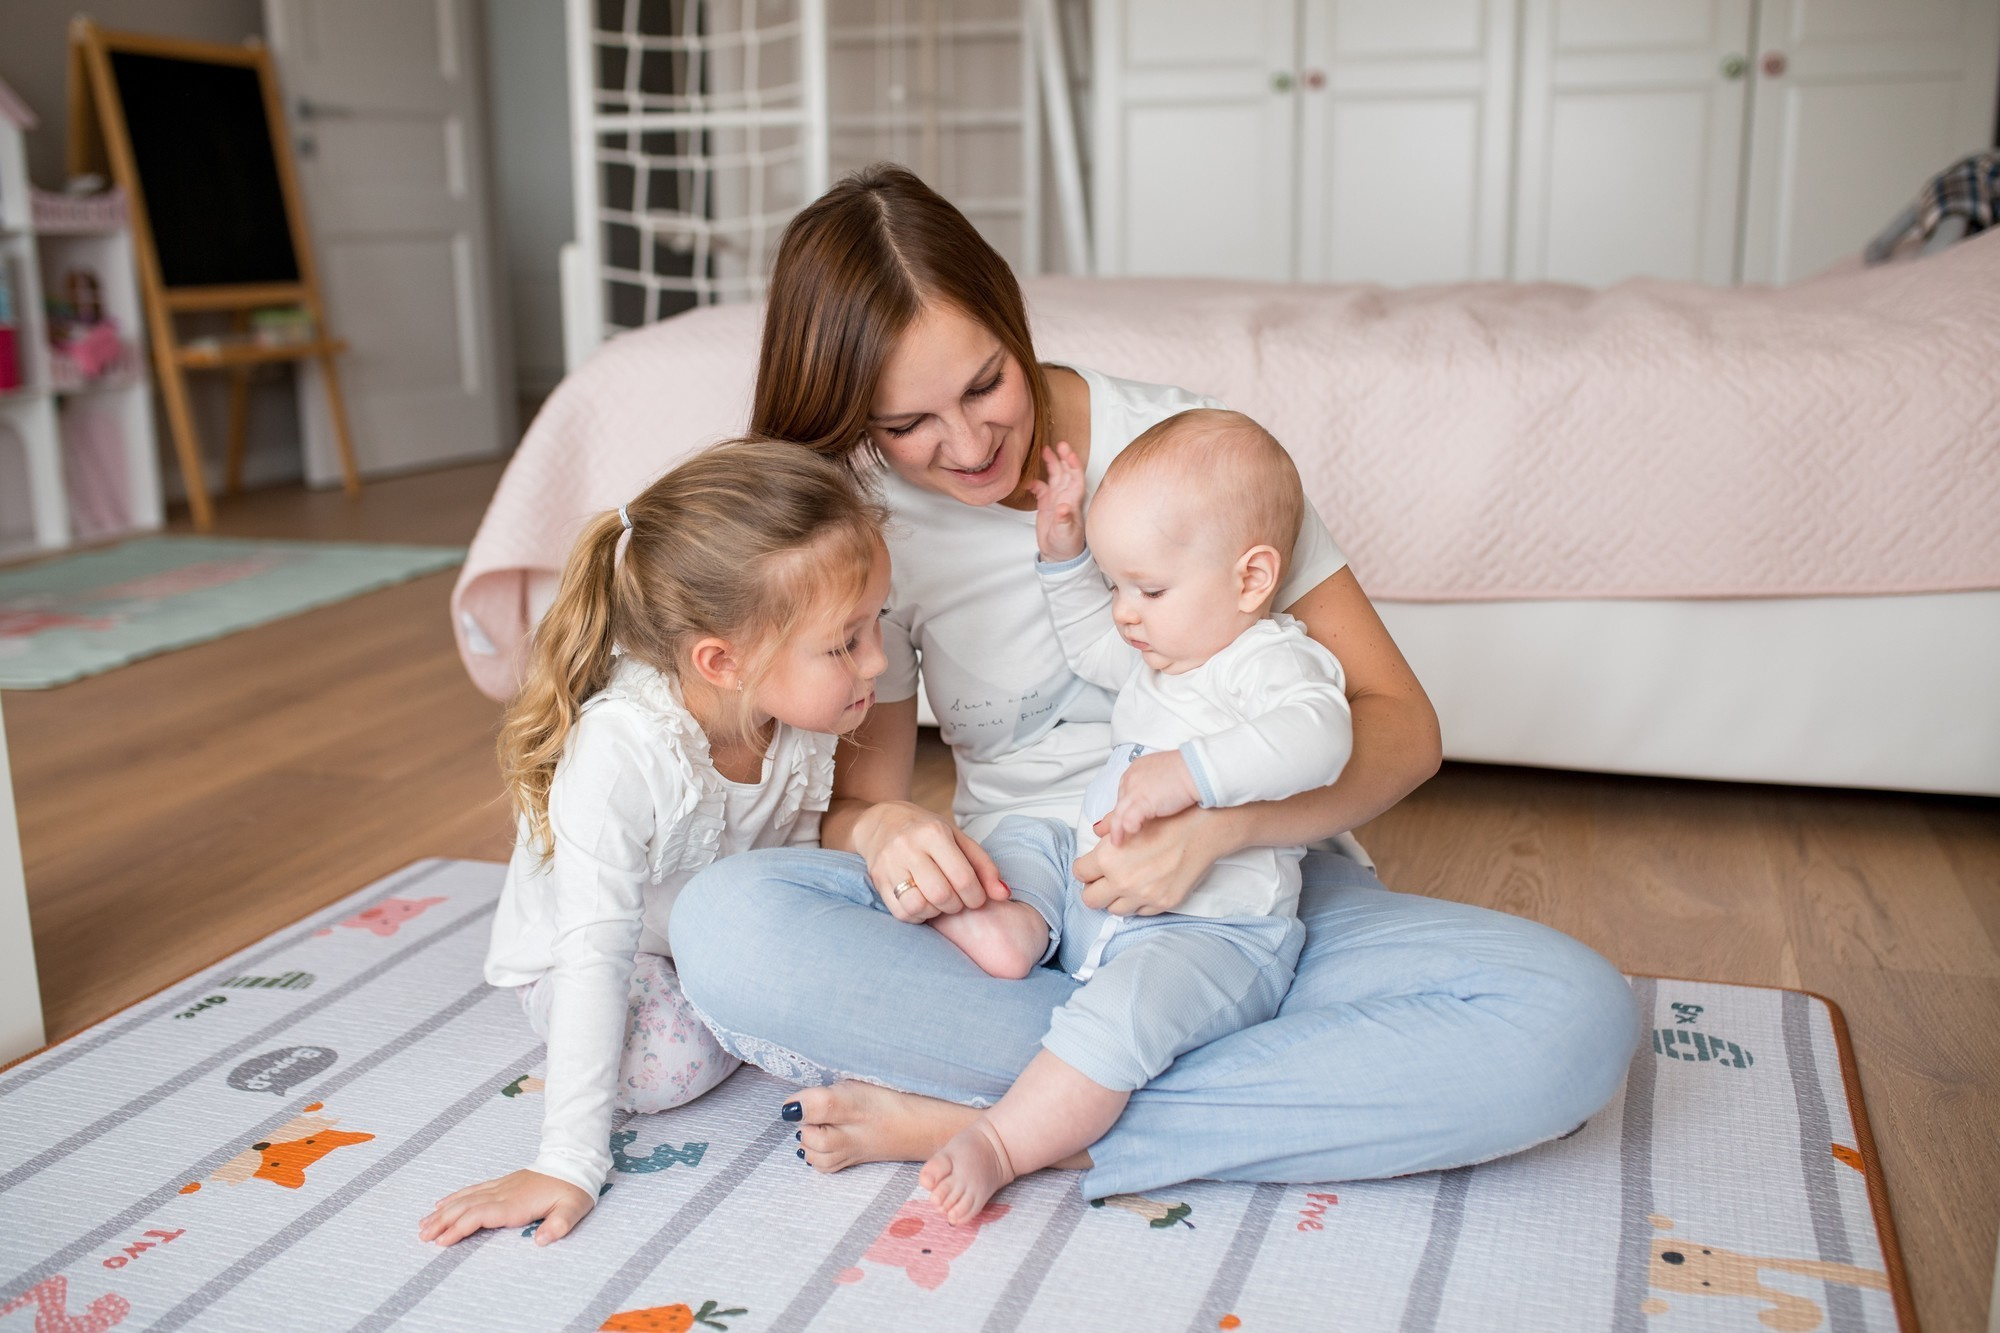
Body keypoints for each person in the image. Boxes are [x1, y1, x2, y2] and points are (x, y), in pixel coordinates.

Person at [669, 164, 1640, 1207]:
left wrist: (1218, 832)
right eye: (906, 425)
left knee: (1573, 1019)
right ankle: (1151, 1094)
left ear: (1011, 309)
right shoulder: (869, 524)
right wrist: (882, 831)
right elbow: (860, 795)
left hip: (1250, 906)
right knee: (724, 924)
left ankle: (1023, 1123)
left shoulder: (1196, 457)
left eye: (985, 383)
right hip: (1028, 910)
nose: (966, 444)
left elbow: (1399, 726)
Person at [418, 439, 892, 1247]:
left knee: (877, 952)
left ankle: (755, 1014)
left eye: (876, 622)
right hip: (608, 953)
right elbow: (594, 951)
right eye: (846, 641)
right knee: (666, 1065)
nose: (878, 659)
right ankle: (741, 1026)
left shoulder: (804, 707)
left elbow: (798, 871)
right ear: (722, 661)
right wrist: (567, 1160)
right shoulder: (624, 750)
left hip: (714, 930)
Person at [920, 409, 1355, 1223]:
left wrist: (1192, 773)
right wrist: (1063, 557)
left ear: (1251, 579)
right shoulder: (1169, 648)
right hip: (1101, 892)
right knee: (1023, 840)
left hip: (1210, 935)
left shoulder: (1267, 659)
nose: (1125, 611)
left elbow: (1322, 735)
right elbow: (1093, 647)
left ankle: (1005, 1142)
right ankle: (1016, 923)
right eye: (1120, 587)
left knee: (1119, 1020)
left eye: (1147, 589)